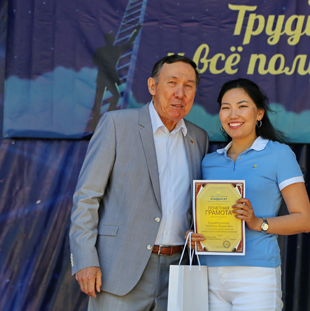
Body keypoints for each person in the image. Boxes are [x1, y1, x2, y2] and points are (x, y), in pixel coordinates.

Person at [70, 54, 209, 311]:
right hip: (119, 270)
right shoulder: (117, 125)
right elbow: (87, 197)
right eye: (172, 83)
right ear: (152, 86)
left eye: (188, 86)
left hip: (178, 271)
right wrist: (85, 258)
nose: (180, 93)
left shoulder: (198, 138)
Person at [189, 78, 310, 311]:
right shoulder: (209, 161)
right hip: (207, 273)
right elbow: (197, 216)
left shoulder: (279, 154)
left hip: (256, 275)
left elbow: (304, 220)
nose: (233, 114)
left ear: (259, 113)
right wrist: (192, 233)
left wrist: (258, 223)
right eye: (226, 107)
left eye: (242, 106)